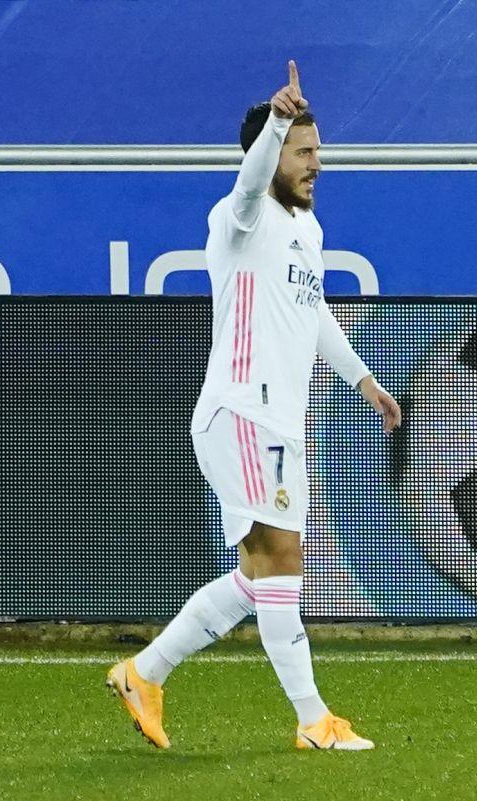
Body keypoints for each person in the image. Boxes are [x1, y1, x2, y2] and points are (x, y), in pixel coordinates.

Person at [106, 60, 402, 752]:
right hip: (240, 411)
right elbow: (247, 187)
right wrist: (274, 122)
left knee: (257, 576)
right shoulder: (237, 217)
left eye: (317, 151)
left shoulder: (308, 231)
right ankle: (313, 719)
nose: (316, 164)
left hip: (276, 421)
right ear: (269, 153)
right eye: (303, 151)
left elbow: (314, 313)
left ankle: (143, 673)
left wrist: (364, 380)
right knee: (283, 559)